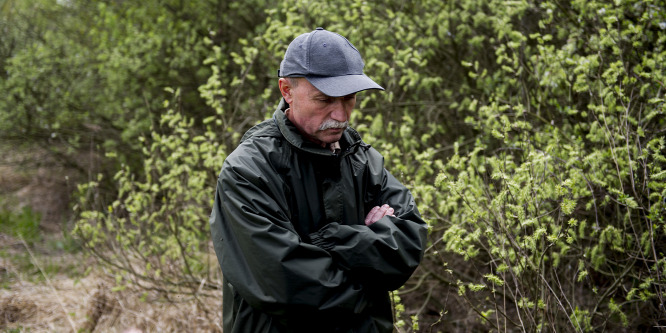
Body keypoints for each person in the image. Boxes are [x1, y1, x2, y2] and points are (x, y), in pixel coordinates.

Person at [209, 27, 428, 333]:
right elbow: (287, 286)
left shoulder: (361, 159)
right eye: (324, 99)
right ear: (287, 90)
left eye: (349, 98)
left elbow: (408, 242)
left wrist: (327, 240)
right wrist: (369, 278)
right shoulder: (248, 171)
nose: (340, 115)